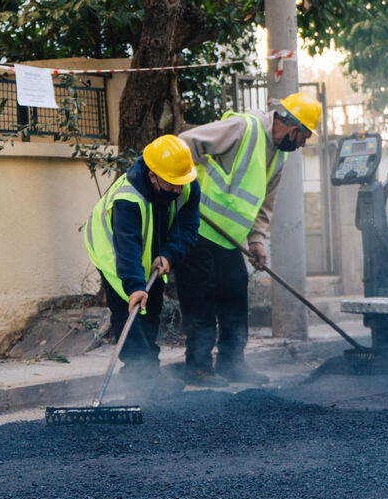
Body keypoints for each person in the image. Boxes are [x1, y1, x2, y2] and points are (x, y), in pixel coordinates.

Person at [174, 92, 323, 386]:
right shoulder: (243, 128)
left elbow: (265, 202)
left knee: (234, 298)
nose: (303, 144)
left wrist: (257, 239)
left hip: (229, 239)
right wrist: (178, 187)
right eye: (304, 136)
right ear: (292, 126)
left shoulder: (279, 155)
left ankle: (232, 364)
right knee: (200, 300)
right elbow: (185, 142)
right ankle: (198, 367)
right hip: (197, 229)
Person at [84, 134, 201, 397]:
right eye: (171, 184)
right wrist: (135, 287)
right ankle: (138, 378)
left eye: (180, 184)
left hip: (154, 253)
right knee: (130, 312)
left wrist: (169, 255)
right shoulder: (127, 199)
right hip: (114, 253)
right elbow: (128, 249)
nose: (178, 190)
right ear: (152, 176)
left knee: (154, 307)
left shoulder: (185, 182)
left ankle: (150, 374)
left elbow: (190, 228)